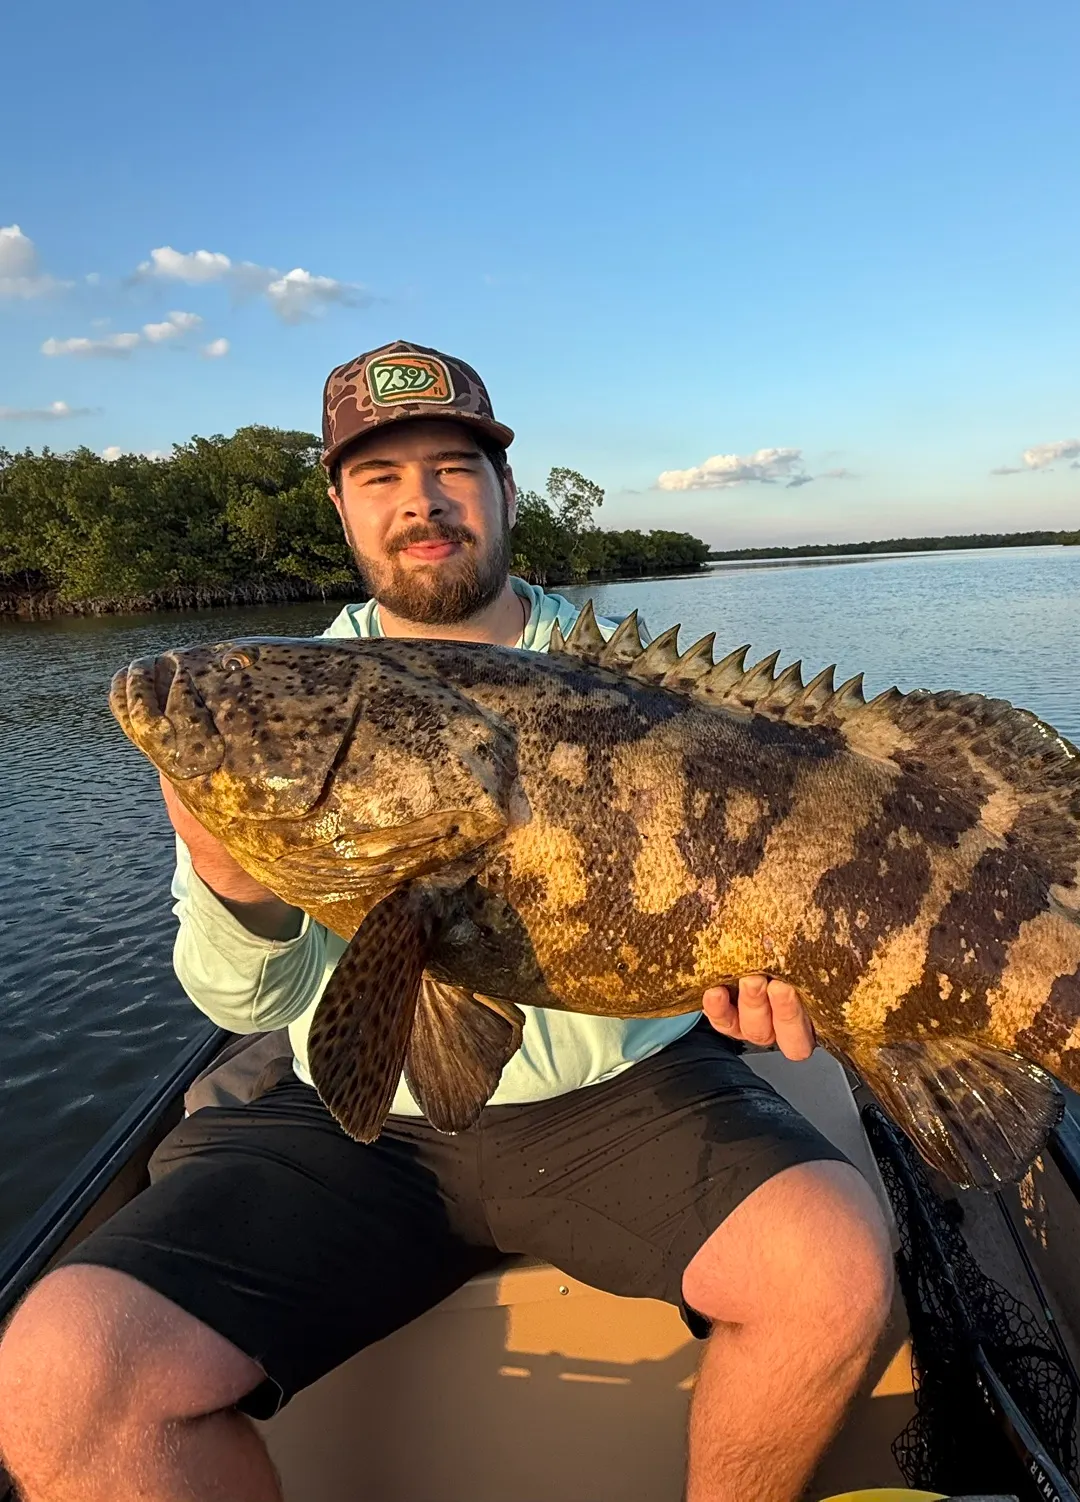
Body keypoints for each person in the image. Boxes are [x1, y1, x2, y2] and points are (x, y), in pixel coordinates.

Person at [0, 341, 894, 1502]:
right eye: (379, 477)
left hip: (626, 1096)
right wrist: (228, 867)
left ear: (503, 490)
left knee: (832, 1268)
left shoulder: (636, 681)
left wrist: (800, 985)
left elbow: (790, 853)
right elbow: (247, 1003)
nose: (420, 501)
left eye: (451, 466)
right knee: (59, 1370)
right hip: (362, 1120)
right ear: (340, 507)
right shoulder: (294, 690)